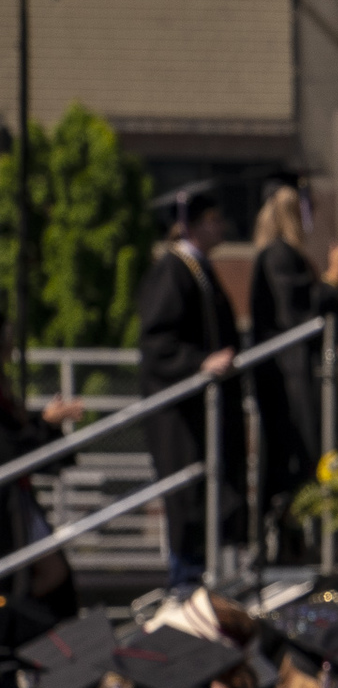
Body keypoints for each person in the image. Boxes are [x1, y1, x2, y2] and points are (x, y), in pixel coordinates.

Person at [133, 184, 246, 580]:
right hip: (179, 417)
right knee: (189, 503)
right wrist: (201, 362)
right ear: (192, 226)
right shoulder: (174, 269)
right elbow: (156, 342)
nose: (222, 228)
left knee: (208, 503)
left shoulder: (198, 269)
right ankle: (184, 589)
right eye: (214, 220)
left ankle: (198, 586)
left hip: (201, 414)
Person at [244, 178, 338, 528]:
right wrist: (334, 274)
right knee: (298, 465)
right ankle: (295, 537)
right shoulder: (278, 255)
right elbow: (300, 318)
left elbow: (330, 321)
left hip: (300, 376)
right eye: (306, 207)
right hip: (290, 382)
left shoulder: (289, 256)